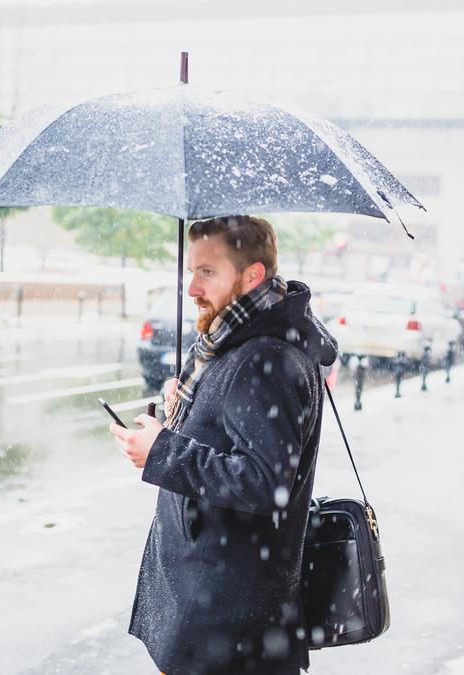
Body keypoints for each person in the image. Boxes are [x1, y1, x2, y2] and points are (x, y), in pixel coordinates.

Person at [110, 215, 338, 675]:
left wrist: (161, 452)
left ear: (252, 275)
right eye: (190, 271)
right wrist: (186, 413)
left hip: (225, 617)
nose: (191, 288)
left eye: (207, 272)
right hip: (217, 604)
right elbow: (235, 436)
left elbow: (263, 483)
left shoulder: (263, 358)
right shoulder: (236, 343)